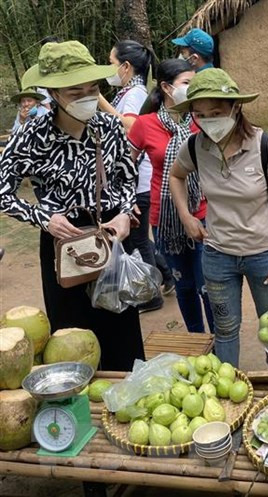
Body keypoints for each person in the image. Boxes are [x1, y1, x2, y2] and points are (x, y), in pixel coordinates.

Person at [0, 41, 144, 371]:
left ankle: (127, 397)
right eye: (75, 91)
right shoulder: (33, 135)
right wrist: (43, 217)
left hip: (109, 233)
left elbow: (126, 178)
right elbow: (2, 190)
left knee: (120, 324)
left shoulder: (108, 127)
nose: (87, 97)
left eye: (92, 88)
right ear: (54, 93)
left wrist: (123, 212)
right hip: (62, 240)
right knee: (71, 336)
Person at [169, 69, 268, 370]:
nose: (208, 120)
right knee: (225, 328)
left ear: (235, 108)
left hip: (263, 255)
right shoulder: (196, 147)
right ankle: (229, 389)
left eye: (216, 112)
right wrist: (186, 216)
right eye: (200, 114)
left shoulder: (265, 145)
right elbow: (176, 175)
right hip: (218, 254)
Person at [128, 59, 214, 334]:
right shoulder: (144, 124)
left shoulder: (202, 120)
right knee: (184, 286)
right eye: (186, 83)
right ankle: (197, 339)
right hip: (164, 219)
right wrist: (125, 203)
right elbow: (125, 166)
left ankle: (219, 341)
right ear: (166, 87)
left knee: (208, 285)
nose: (193, 88)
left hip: (202, 214)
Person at [97, 40, 172, 312]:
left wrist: (99, 99)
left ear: (126, 67)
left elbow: (130, 125)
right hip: (133, 179)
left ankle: (151, 294)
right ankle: (165, 275)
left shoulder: (135, 94)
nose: (109, 69)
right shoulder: (127, 93)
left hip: (139, 181)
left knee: (137, 240)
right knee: (138, 238)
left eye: (111, 63)